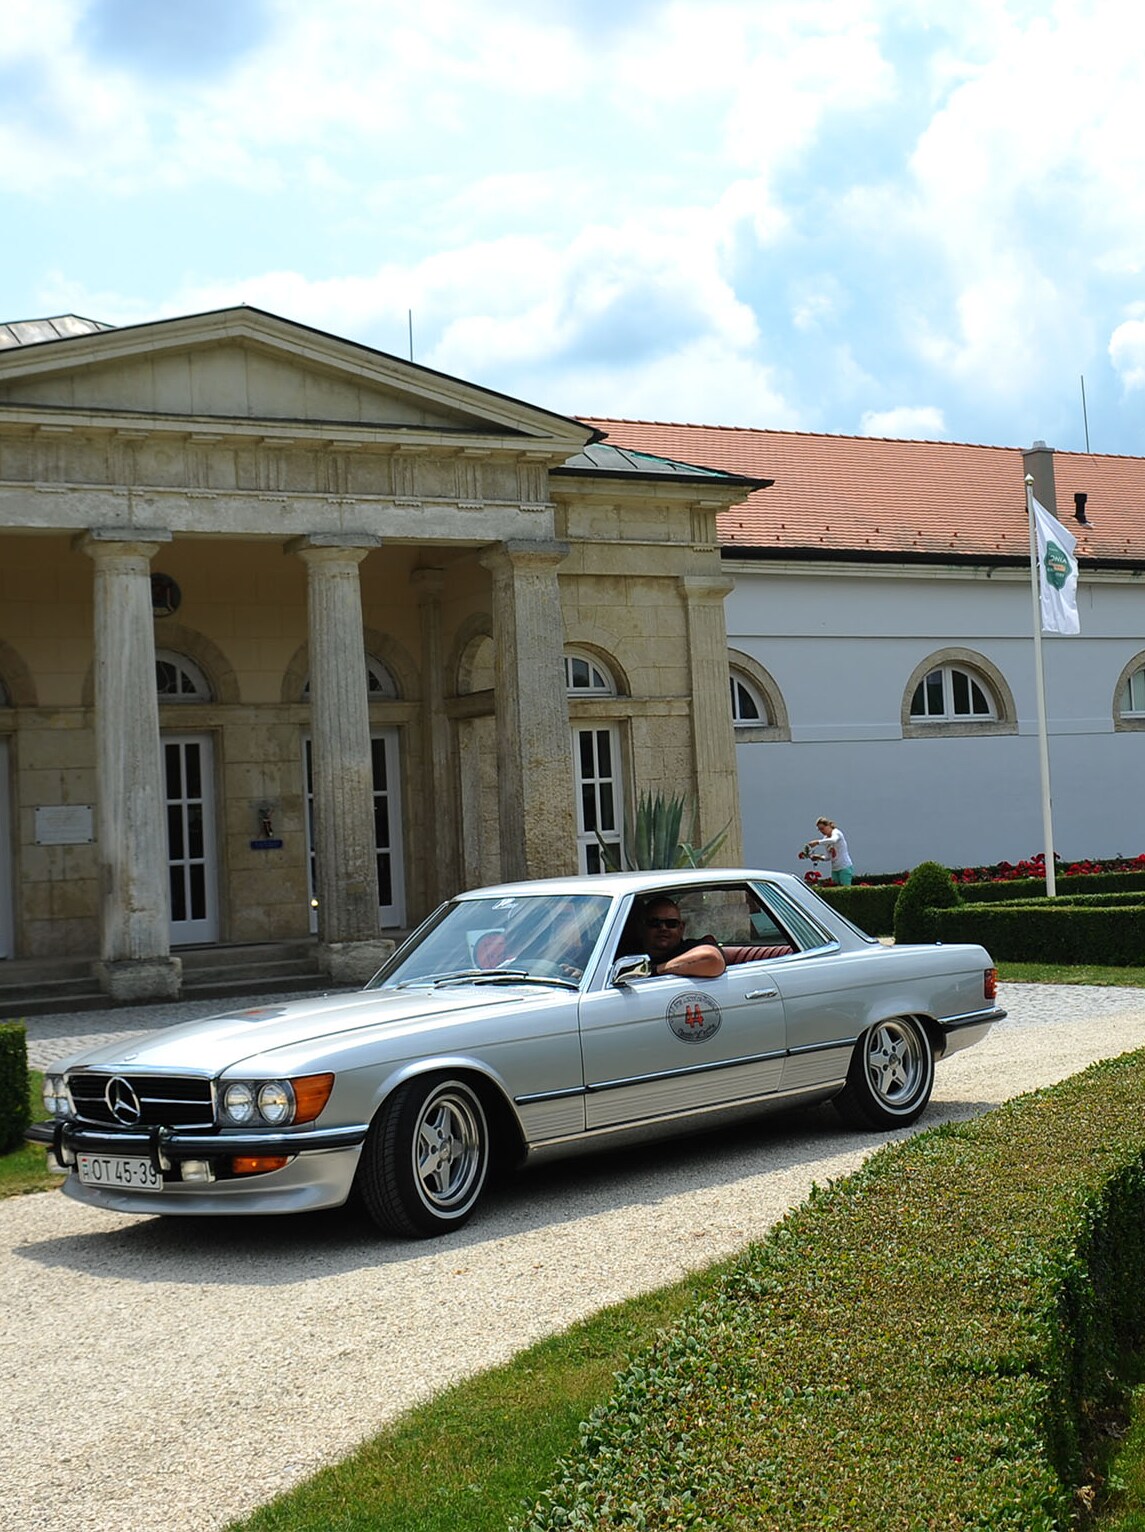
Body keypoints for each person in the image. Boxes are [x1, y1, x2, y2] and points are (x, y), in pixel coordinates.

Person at [637, 896, 726, 977]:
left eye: (671, 923)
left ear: (681, 928)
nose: (663, 928)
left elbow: (713, 958)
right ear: (641, 927)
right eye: (655, 923)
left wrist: (655, 970)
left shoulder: (691, 949)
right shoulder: (628, 955)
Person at [800, 817, 854, 886]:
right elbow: (828, 857)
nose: (822, 831)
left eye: (822, 828)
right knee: (835, 888)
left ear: (828, 826)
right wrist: (818, 857)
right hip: (835, 869)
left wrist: (817, 842)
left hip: (844, 867)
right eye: (819, 830)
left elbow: (833, 840)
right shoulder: (825, 839)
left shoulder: (836, 832)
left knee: (845, 889)